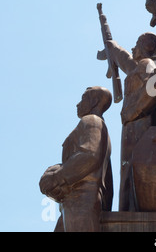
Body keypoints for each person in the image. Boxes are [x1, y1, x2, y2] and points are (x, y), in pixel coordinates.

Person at [39, 86, 113, 232]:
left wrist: (56, 177)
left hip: (80, 199)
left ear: (95, 101)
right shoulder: (101, 127)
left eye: (83, 98)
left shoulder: (91, 121)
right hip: (76, 201)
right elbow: (108, 182)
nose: (78, 104)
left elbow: (89, 156)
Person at [103, 32, 156, 211]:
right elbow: (124, 59)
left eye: (137, 44)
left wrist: (133, 111)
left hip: (138, 123)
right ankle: (128, 208)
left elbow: (155, 86)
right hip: (132, 124)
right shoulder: (139, 66)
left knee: (131, 167)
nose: (133, 48)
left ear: (146, 47)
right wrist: (112, 46)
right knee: (127, 168)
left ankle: (131, 210)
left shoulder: (146, 64)